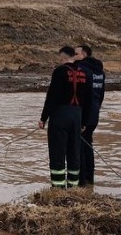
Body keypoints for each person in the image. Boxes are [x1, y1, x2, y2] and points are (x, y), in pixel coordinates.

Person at [38, 46, 92, 189]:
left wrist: (43, 118)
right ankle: (73, 188)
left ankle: (58, 188)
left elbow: (52, 97)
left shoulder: (59, 71)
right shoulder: (85, 73)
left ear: (62, 57)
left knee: (57, 152)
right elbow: (88, 100)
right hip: (77, 116)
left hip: (60, 116)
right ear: (74, 56)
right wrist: (84, 121)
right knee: (74, 152)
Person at [74, 44, 106, 187]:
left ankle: (82, 181)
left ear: (84, 55)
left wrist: (81, 118)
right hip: (94, 113)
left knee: (80, 146)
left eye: (76, 53)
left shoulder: (82, 70)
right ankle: (89, 179)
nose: (74, 56)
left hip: (84, 114)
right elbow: (101, 95)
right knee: (88, 145)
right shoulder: (99, 72)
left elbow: (82, 95)